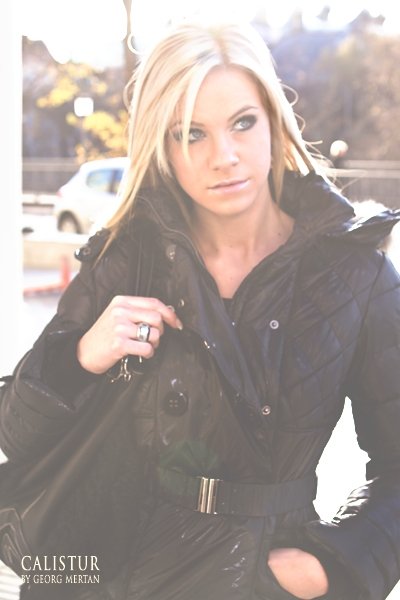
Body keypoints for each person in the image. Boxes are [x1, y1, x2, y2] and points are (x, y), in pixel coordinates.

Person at [1, 19, 400, 600]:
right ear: (162, 147)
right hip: (109, 577)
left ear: (274, 121)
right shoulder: (126, 257)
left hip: (260, 580)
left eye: (243, 122)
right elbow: (16, 434)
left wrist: (331, 565)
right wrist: (82, 357)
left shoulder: (354, 273)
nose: (224, 156)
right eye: (191, 134)